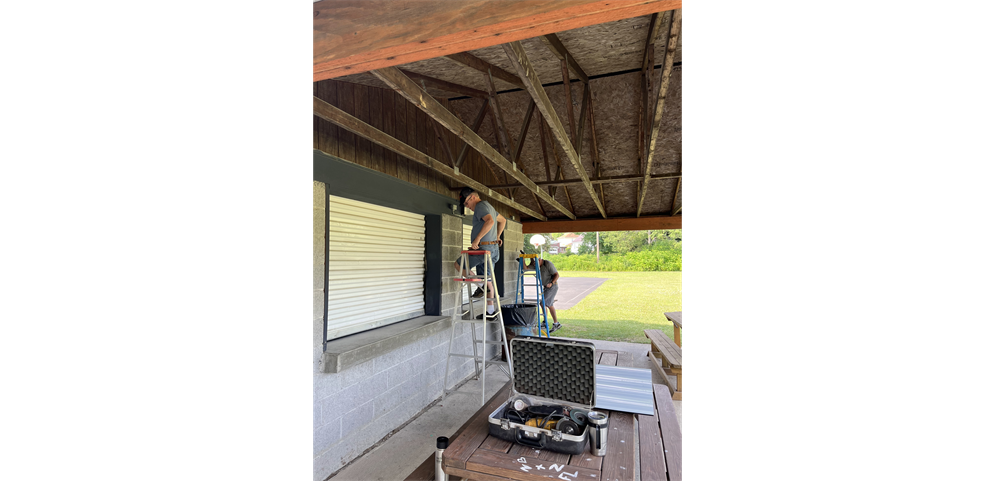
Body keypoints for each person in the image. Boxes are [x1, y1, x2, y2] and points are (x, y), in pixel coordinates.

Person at [454, 187, 507, 316]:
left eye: (467, 203)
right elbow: (503, 220)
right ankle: (490, 310)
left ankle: (481, 286)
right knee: (488, 278)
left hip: (484, 249)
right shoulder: (490, 207)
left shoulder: (480, 206)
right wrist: (497, 236)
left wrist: (477, 239)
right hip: (492, 249)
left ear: (473, 197)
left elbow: (490, 221)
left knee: (458, 264)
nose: (468, 207)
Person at [526, 257, 561, 332]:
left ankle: (547, 323)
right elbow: (526, 268)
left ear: (540, 260)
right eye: (534, 263)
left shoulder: (547, 264)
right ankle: (556, 323)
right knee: (549, 305)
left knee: (543, 303)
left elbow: (557, 275)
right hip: (545, 287)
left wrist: (551, 283)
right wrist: (522, 259)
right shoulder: (535, 265)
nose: (534, 264)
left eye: (536, 262)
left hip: (552, 286)